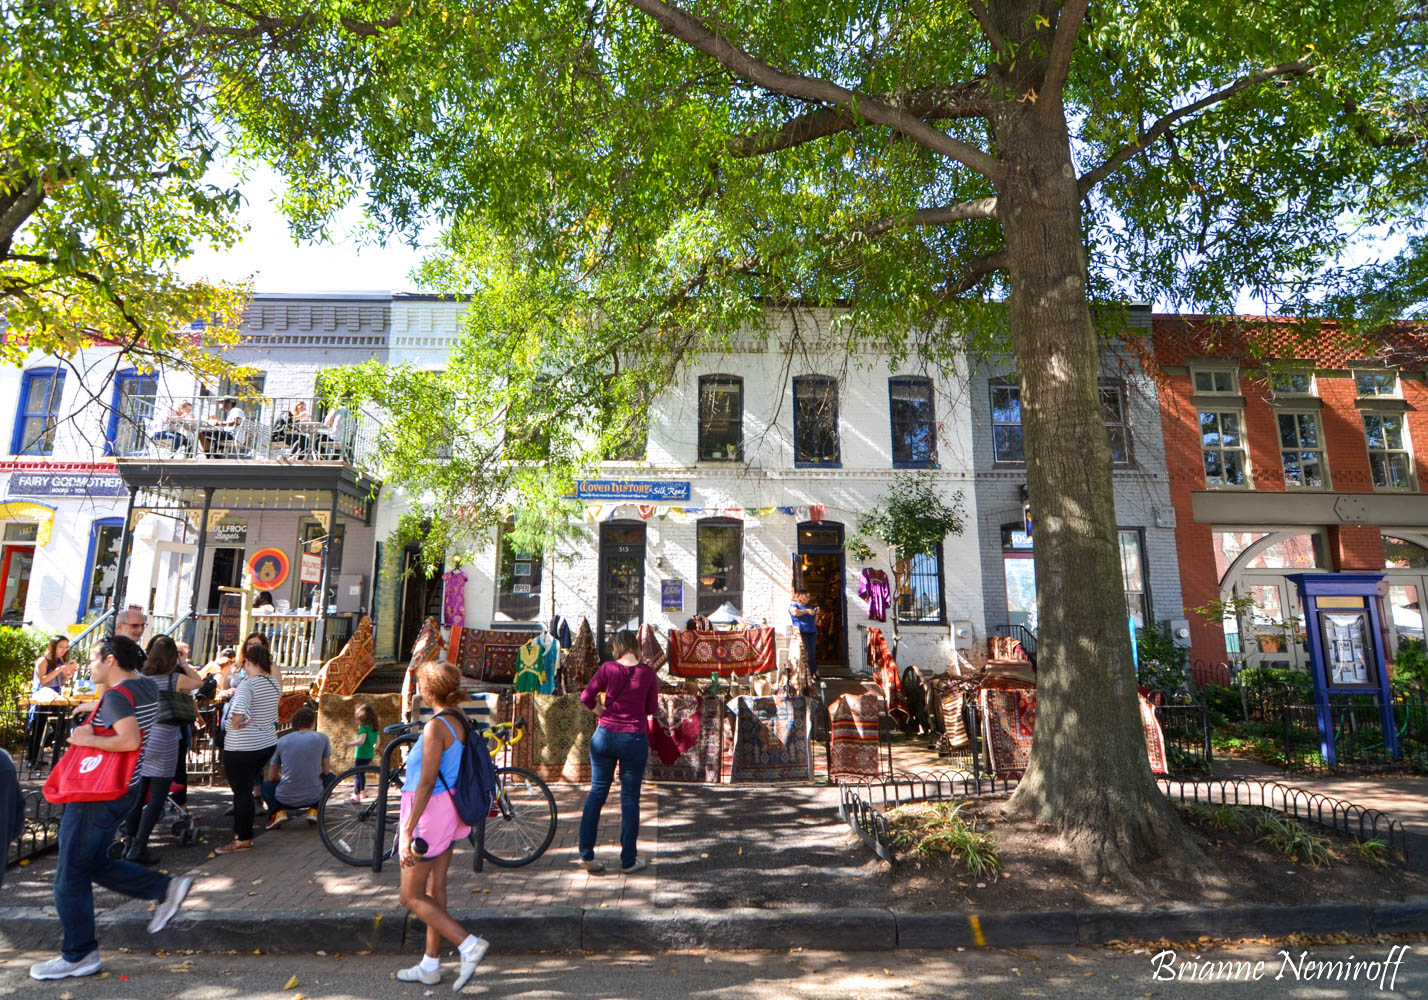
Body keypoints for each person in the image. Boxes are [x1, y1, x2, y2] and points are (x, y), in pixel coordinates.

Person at [29, 635, 193, 981]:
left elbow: (129, 739)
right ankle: (163, 889)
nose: (87, 665)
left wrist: (86, 737)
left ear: (111, 661)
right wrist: (97, 710)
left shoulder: (118, 696)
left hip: (97, 794)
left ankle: (78, 954)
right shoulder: (143, 686)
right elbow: (128, 712)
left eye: (93, 659)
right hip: (124, 790)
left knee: (68, 877)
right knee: (90, 863)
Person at [396, 659, 490, 990]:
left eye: (421, 682)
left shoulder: (436, 726)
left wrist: (408, 829)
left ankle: (467, 944)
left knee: (410, 895)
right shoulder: (458, 719)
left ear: (428, 689)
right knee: (437, 888)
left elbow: (424, 782)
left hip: (429, 813)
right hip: (449, 811)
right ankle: (430, 964)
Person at [576, 628, 657, 875]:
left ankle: (586, 855)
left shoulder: (607, 669)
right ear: (636, 646)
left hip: (604, 737)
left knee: (597, 794)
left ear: (618, 647)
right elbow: (651, 708)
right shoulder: (647, 673)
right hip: (632, 738)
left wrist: (601, 712)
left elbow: (586, 697)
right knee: (630, 798)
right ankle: (628, 860)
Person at [120, 636, 203, 864]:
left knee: (138, 796)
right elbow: (198, 683)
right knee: (157, 798)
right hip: (164, 739)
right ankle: (139, 845)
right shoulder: (174, 679)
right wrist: (184, 663)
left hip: (143, 738)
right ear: (171, 657)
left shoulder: (141, 679)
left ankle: (128, 842)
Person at [215, 644, 280, 854]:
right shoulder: (273, 684)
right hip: (266, 742)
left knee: (241, 792)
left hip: (242, 746)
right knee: (248, 789)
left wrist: (239, 722)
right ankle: (243, 834)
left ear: (249, 663)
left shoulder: (248, 685)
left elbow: (237, 716)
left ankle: (243, 838)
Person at [262, 707, 333, 828]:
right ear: (313, 722)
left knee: (267, 786)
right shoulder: (322, 738)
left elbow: (272, 776)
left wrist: (283, 777)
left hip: (284, 797)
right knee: (330, 777)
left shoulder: (281, 741)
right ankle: (315, 810)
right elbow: (326, 771)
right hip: (314, 795)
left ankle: (277, 812)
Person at [27, 636, 78, 763]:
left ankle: (41, 751)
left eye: (66, 647)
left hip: (55, 697)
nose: (63, 650)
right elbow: (43, 680)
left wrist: (67, 675)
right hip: (42, 697)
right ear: (53, 647)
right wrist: (59, 670)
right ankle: (32, 758)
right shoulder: (43, 661)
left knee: (63, 723)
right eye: (61, 647)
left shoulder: (60, 660)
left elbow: (58, 682)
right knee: (38, 728)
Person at [342, 703, 379, 802]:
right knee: (362, 774)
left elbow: (361, 741)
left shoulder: (363, 729)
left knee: (357, 775)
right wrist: (373, 748)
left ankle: (356, 795)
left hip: (361, 755)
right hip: (369, 755)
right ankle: (362, 792)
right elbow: (377, 742)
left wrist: (349, 743)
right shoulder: (374, 729)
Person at [789, 590, 821, 682]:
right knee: (807, 654)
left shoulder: (808, 606)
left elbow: (814, 621)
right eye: (806, 596)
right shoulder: (794, 604)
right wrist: (807, 611)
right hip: (802, 632)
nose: (808, 598)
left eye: (809, 596)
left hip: (812, 631)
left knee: (811, 653)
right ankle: (815, 672)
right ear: (801, 596)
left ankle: (813, 673)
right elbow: (794, 613)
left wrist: (816, 614)